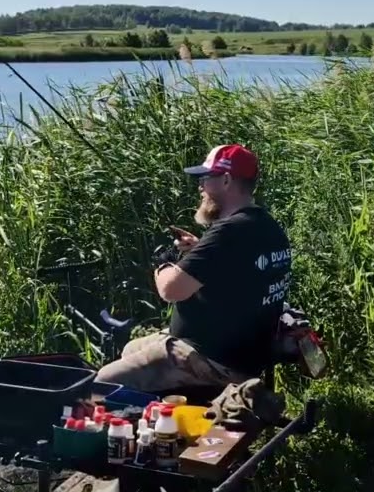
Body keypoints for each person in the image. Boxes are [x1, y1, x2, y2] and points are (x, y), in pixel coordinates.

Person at [95, 143, 293, 393]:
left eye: (205, 178)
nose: (200, 187)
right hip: (247, 357)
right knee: (131, 349)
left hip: (213, 362)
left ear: (226, 180)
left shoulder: (228, 232)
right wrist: (199, 250)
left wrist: (163, 261)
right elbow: (240, 270)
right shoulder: (267, 227)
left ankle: (140, 430)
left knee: (102, 383)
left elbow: (171, 289)